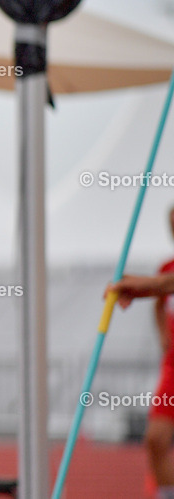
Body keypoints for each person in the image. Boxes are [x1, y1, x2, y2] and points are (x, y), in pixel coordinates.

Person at [108, 205, 174, 499]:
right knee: (155, 439)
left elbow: (160, 288)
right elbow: (162, 298)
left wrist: (150, 286)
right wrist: (162, 332)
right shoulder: (167, 268)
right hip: (173, 365)